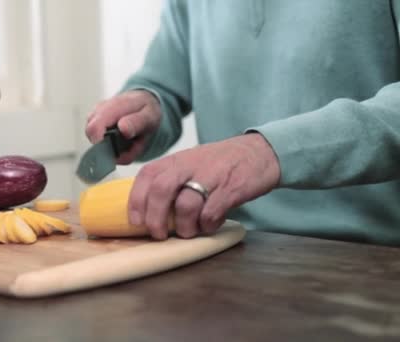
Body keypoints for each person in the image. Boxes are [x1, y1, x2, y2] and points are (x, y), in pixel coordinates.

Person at [84, 0, 400, 246]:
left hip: (369, 255)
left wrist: (263, 153)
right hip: (221, 244)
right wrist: (148, 102)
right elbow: (165, 81)